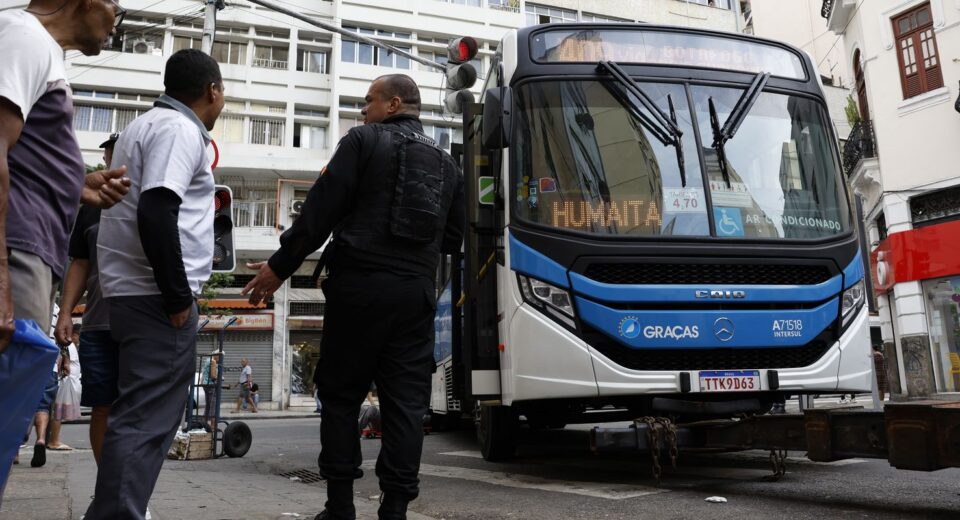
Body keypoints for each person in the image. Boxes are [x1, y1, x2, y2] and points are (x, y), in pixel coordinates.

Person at [243, 74, 465, 520]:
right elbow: (452, 239)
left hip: (359, 289)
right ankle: (395, 510)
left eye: (369, 101)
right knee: (405, 405)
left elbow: (320, 211)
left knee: (341, 397)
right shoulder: (448, 165)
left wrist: (280, 267)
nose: (363, 110)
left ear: (393, 104)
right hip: (414, 297)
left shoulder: (363, 141)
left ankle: (340, 507)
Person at [85, 48, 225, 520]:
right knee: (145, 421)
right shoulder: (178, 129)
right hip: (155, 297)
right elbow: (157, 209)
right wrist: (177, 295)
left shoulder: (140, 127)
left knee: (135, 418)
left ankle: (110, 511)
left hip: (131, 293)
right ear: (212, 90)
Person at [0, 0, 130, 356]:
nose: (115, 24)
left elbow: (20, 155)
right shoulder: (25, 37)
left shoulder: (39, 45)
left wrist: (76, 185)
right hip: (16, 248)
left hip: (29, 248)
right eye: (115, 8)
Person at [53, 132, 121, 465]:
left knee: (139, 409)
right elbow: (80, 263)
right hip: (98, 325)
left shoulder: (152, 197)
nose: (116, 159)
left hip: (144, 323)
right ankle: (109, 484)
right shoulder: (91, 207)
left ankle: (132, 486)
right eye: (111, 154)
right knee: (102, 408)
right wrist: (66, 312)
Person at [49, 331, 82, 451]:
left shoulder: (67, 344)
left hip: (66, 380)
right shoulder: (67, 344)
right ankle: (54, 441)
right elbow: (63, 361)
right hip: (66, 380)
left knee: (55, 411)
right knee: (58, 411)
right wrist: (65, 366)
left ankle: (50, 439)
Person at [199, 350, 221, 430]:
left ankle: (203, 423)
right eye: (220, 357)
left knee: (208, 405)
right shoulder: (213, 361)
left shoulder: (207, 360)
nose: (220, 359)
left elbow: (203, 373)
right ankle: (213, 425)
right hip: (211, 385)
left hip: (205, 384)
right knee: (213, 405)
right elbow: (213, 375)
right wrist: (219, 378)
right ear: (217, 355)